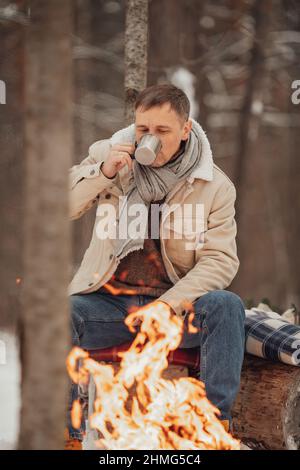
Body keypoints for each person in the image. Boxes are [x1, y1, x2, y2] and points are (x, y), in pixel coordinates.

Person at [65, 84, 245, 449]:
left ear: (185, 130)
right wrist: (104, 172)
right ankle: (68, 436)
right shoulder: (113, 161)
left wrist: (168, 305)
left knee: (227, 306)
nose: (152, 139)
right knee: (60, 313)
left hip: (176, 311)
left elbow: (220, 260)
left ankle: (213, 432)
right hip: (111, 308)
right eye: (144, 129)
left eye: (163, 131)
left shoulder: (214, 186)